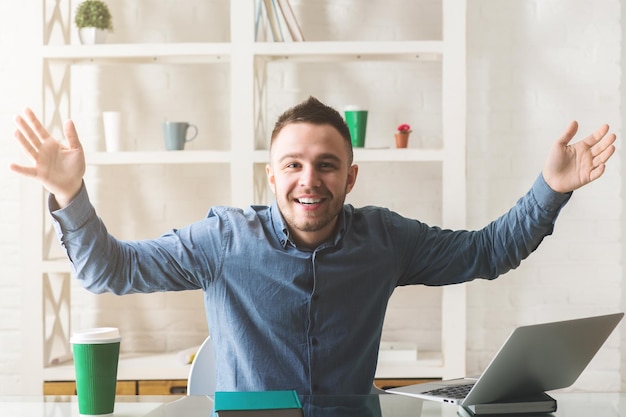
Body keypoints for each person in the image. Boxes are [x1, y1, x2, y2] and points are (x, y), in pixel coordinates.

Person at [10, 97, 616, 395]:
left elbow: (486, 252)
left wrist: (551, 189)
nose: (310, 179)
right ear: (271, 176)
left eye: (327, 165)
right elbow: (108, 271)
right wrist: (70, 193)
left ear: (350, 178)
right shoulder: (222, 239)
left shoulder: (385, 239)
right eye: (293, 165)